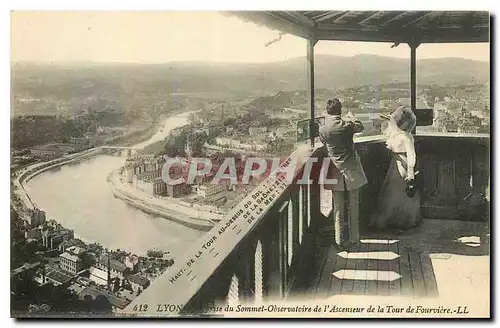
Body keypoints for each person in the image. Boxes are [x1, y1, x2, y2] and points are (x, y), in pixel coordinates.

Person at [319, 98, 368, 248]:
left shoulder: (323, 129)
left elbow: (323, 142)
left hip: (335, 171)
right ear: (340, 111)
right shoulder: (347, 125)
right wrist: (352, 117)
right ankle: (354, 239)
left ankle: (339, 241)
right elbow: (360, 127)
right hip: (352, 170)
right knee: (354, 206)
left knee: (338, 208)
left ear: (327, 112)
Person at [369, 105, 421, 231]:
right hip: (399, 164)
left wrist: (410, 172)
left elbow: (411, 156)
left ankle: (391, 222)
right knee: (401, 195)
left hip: (399, 165)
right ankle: (402, 222)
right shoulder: (406, 136)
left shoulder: (399, 136)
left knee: (393, 194)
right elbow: (412, 155)